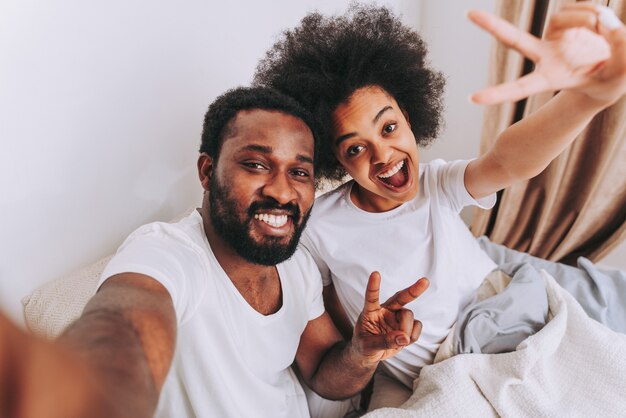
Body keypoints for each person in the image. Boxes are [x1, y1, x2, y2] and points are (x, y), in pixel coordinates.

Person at [253, 2, 626, 409]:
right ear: (334, 159)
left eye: (389, 127)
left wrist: (586, 98)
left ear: (410, 119)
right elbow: (330, 347)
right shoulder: (316, 228)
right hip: (430, 367)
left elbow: (506, 161)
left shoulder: (435, 182)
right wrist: (368, 346)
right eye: (356, 148)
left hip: (504, 312)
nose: (383, 155)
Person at [0, 86, 430, 418]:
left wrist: (364, 352)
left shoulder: (296, 262)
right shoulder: (167, 251)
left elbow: (325, 375)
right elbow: (126, 324)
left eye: (299, 172)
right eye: (256, 165)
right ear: (208, 171)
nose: (282, 190)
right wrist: (83, 390)